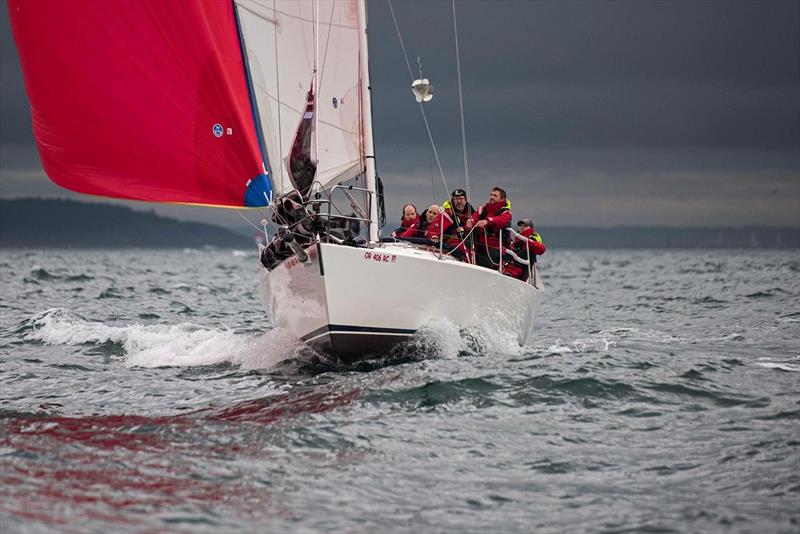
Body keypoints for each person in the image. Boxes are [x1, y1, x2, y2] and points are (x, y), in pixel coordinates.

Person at [465, 186, 512, 269]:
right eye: (491, 195)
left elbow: (503, 220)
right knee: (465, 250)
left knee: (486, 260)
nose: (491, 197)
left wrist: (488, 221)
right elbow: (473, 219)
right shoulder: (482, 209)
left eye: (495, 195)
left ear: (502, 199)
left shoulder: (505, 213)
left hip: (497, 248)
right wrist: (470, 222)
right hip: (479, 245)